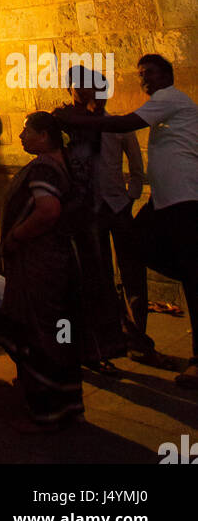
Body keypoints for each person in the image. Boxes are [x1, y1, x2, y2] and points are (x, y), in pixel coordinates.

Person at [58, 54, 198, 389]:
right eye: (140, 75)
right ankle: (115, 339)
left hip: (174, 200)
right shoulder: (158, 110)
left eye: (149, 73)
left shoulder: (165, 101)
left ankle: (151, 343)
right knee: (114, 267)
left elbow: (124, 132)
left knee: (144, 270)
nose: (144, 80)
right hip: (158, 202)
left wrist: (131, 194)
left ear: (166, 75)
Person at [0, 112, 84, 431]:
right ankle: (69, 404)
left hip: (40, 262)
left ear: (45, 136)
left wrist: (16, 236)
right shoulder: (66, 162)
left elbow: (47, 211)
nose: (20, 136)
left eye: (27, 131)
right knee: (61, 333)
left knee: (38, 333)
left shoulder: (45, 166)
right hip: (59, 259)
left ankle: (46, 412)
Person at [54, 70, 127, 373]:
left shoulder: (95, 118)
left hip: (92, 206)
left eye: (92, 87)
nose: (86, 91)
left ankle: (100, 347)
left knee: (98, 280)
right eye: (80, 86)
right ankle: (74, 348)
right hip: (72, 208)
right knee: (76, 282)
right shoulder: (65, 115)